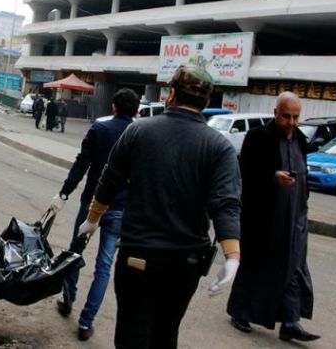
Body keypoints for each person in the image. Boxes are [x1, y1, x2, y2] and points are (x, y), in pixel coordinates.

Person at [78, 64, 242, 348]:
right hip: (186, 264)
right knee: (166, 334)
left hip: (138, 257)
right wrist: (233, 256)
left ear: (170, 95)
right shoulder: (220, 147)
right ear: (206, 102)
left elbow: (109, 180)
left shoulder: (138, 131)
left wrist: (92, 219)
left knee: (132, 335)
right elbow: (226, 204)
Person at [226, 92, 319, 342]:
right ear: (276, 112)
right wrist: (272, 176)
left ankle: (290, 321)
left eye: (295, 117)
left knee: (293, 266)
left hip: (296, 215)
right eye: (286, 116)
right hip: (264, 215)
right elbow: (245, 171)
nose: (291, 122)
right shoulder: (258, 137)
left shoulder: (300, 139)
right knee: (256, 264)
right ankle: (240, 312)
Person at [49, 88, 140, 341]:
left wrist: (64, 194)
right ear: (136, 110)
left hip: (91, 203)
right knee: (104, 265)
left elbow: (81, 164)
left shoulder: (99, 130)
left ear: (113, 107)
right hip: (120, 209)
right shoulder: (140, 135)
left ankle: (67, 299)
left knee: (75, 252)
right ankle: (86, 322)